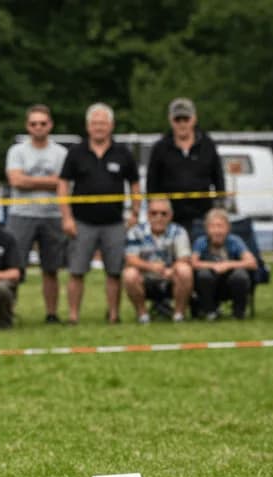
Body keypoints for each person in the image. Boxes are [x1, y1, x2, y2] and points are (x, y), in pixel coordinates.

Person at [58, 103, 140, 324]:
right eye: (95, 123)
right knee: (76, 271)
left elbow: (134, 184)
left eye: (103, 123)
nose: (99, 127)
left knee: (114, 272)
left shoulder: (123, 153)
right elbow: (63, 184)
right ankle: (73, 316)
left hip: (114, 222)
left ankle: (113, 315)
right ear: (88, 126)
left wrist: (134, 213)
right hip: (82, 222)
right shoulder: (76, 153)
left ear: (111, 126)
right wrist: (66, 217)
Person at [5, 104, 69, 323]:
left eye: (42, 123)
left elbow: (65, 183)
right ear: (27, 126)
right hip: (21, 214)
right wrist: (51, 181)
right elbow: (16, 181)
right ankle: (8, 312)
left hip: (52, 215)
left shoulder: (61, 152)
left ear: (50, 125)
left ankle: (51, 314)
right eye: (34, 124)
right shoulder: (17, 151)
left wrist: (29, 181)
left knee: (51, 269)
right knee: (14, 268)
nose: (38, 127)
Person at [146, 98, 226, 239]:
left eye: (186, 119)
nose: (182, 124)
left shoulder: (208, 145)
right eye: (178, 120)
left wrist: (219, 207)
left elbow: (218, 177)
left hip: (202, 215)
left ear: (194, 119)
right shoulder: (160, 148)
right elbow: (152, 182)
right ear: (171, 121)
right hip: (170, 218)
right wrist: (155, 210)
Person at [123, 198, 193, 323]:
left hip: (170, 276)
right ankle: (142, 316)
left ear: (170, 215)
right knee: (129, 274)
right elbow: (130, 259)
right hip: (145, 278)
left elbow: (184, 258)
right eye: (154, 213)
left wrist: (171, 270)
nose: (158, 217)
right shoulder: (135, 232)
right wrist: (151, 267)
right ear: (148, 215)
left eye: (163, 213)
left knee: (185, 270)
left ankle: (179, 315)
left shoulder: (179, 231)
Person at [190, 208, 257, 320]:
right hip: (209, 284)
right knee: (204, 275)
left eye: (220, 226)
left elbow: (252, 262)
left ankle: (238, 312)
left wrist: (228, 264)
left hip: (230, 283)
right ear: (207, 229)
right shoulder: (200, 242)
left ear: (228, 228)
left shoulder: (235, 241)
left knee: (240, 275)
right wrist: (213, 266)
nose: (217, 231)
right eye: (213, 226)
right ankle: (210, 311)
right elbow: (193, 262)